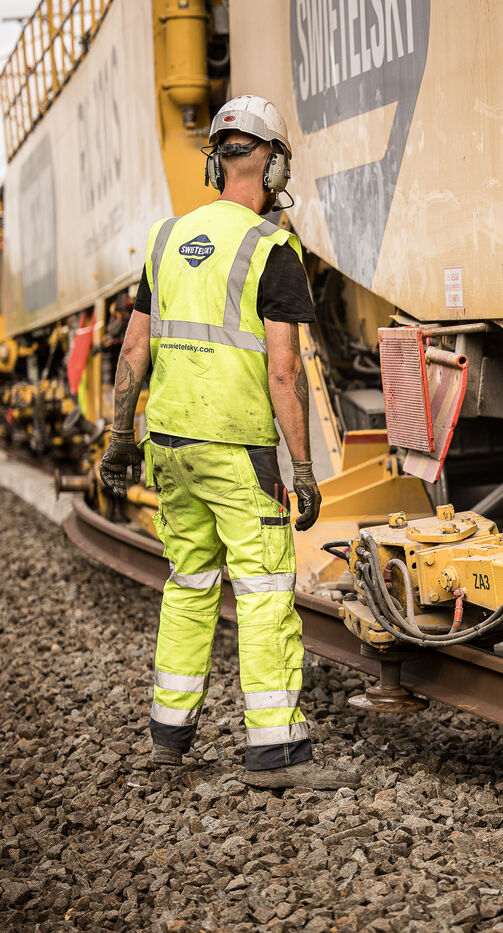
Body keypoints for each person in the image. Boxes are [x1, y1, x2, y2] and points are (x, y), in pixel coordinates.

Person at [99, 95, 358, 790]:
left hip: (169, 444)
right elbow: (284, 371)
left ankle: (168, 738)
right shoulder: (272, 249)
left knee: (188, 582)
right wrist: (302, 468)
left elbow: (133, 348)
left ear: (217, 163)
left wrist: (121, 435)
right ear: (273, 166)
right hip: (238, 452)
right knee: (265, 589)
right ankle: (276, 753)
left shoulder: (165, 239)